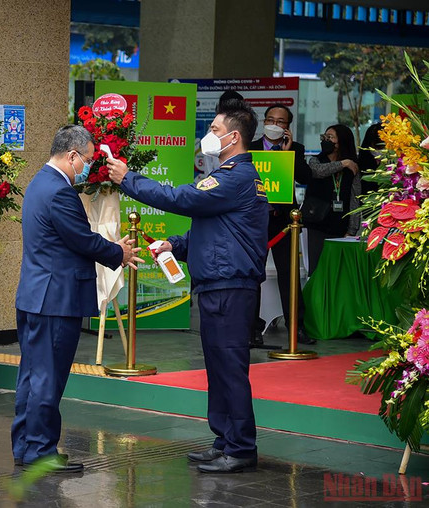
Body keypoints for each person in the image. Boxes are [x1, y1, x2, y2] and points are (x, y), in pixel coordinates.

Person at [108, 99, 267, 473]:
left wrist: (128, 179)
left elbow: (183, 199)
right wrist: (175, 245)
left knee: (229, 367)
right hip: (218, 284)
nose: (208, 136)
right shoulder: (231, 176)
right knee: (218, 366)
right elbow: (216, 228)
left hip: (230, 286)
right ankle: (224, 440)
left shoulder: (236, 177)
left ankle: (241, 447)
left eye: (214, 130)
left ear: (234, 136)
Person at [13, 125, 142, 473]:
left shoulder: (39, 182)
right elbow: (82, 240)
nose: (86, 166)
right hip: (56, 300)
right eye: (85, 160)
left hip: (36, 297)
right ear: (71, 156)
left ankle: (26, 447)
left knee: (31, 375)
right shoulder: (59, 191)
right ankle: (40, 452)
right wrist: (120, 252)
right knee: (47, 379)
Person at [250, 104, 315, 346]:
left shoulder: (295, 149)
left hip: (285, 222)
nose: (274, 125)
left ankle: (296, 327)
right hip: (255, 221)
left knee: (290, 275)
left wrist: (286, 155)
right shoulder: (251, 148)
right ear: (263, 121)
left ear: (288, 127)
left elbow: (305, 178)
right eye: (270, 120)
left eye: (280, 122)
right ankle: (252, 330)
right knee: (253, 274)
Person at [303, 124, 361, 276]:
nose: (325, 140)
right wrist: (344, 163)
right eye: (324, 137)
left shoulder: (353, 167)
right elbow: (318, 172)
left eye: (330, 137)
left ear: (342, 141)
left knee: (337, 272)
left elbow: (355, 199)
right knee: (316, 270)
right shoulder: (316, 160)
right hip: (316, 224)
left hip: (341, 227)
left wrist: (352, 230)